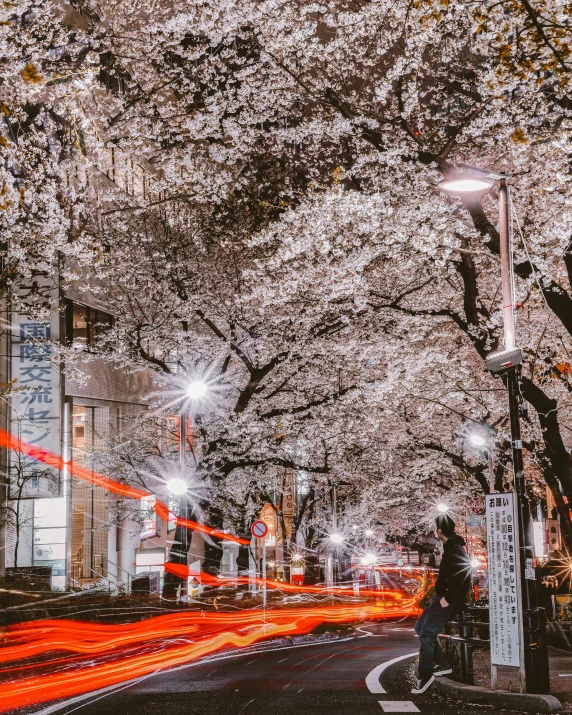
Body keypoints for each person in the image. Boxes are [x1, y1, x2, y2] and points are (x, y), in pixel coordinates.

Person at [412, 513, 471, 694]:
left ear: (439, 530)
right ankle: (444, 665)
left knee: (427, 634)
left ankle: (425, 676)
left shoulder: (454, 548)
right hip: (441, 597)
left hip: (445, 598)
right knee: (420, 628)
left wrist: (449, 598)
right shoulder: (452, 546)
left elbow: (464, 574)